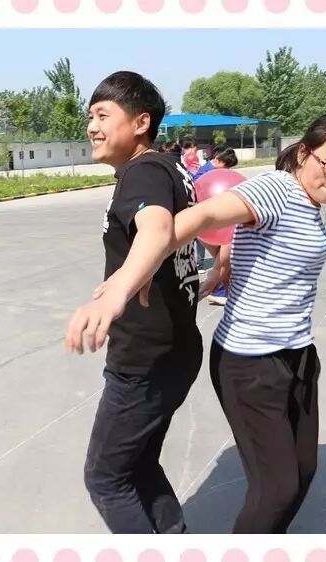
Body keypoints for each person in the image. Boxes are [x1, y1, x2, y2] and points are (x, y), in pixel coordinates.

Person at [94, 114, 326, 533]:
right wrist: (135, 271)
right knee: (277, 489)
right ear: (304, 153)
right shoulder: (277, 189)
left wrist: (225, 259)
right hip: (251, 362)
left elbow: (247, 234)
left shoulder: (309, 204)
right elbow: (200, 217)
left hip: (297, 355)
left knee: (303, 471)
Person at [65, 70, 202, 534]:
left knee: (105, 477)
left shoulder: (143, 172)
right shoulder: (169, 168)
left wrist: (115, 294)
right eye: (90, 117)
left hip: (145, 360)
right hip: (174, 351)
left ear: (141, 122)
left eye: (103, 115)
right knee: (138, 465)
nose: (92, 127)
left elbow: (157, 230)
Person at [192, 145, 239, 305]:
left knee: (223, 259)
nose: (228, 171)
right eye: (227, 166)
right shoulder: (206, 175)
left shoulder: (206, 171)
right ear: (218, 160)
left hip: (212, 223)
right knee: (223, 259)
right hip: (211, 224)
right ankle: (219, 291)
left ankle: (223, 291)